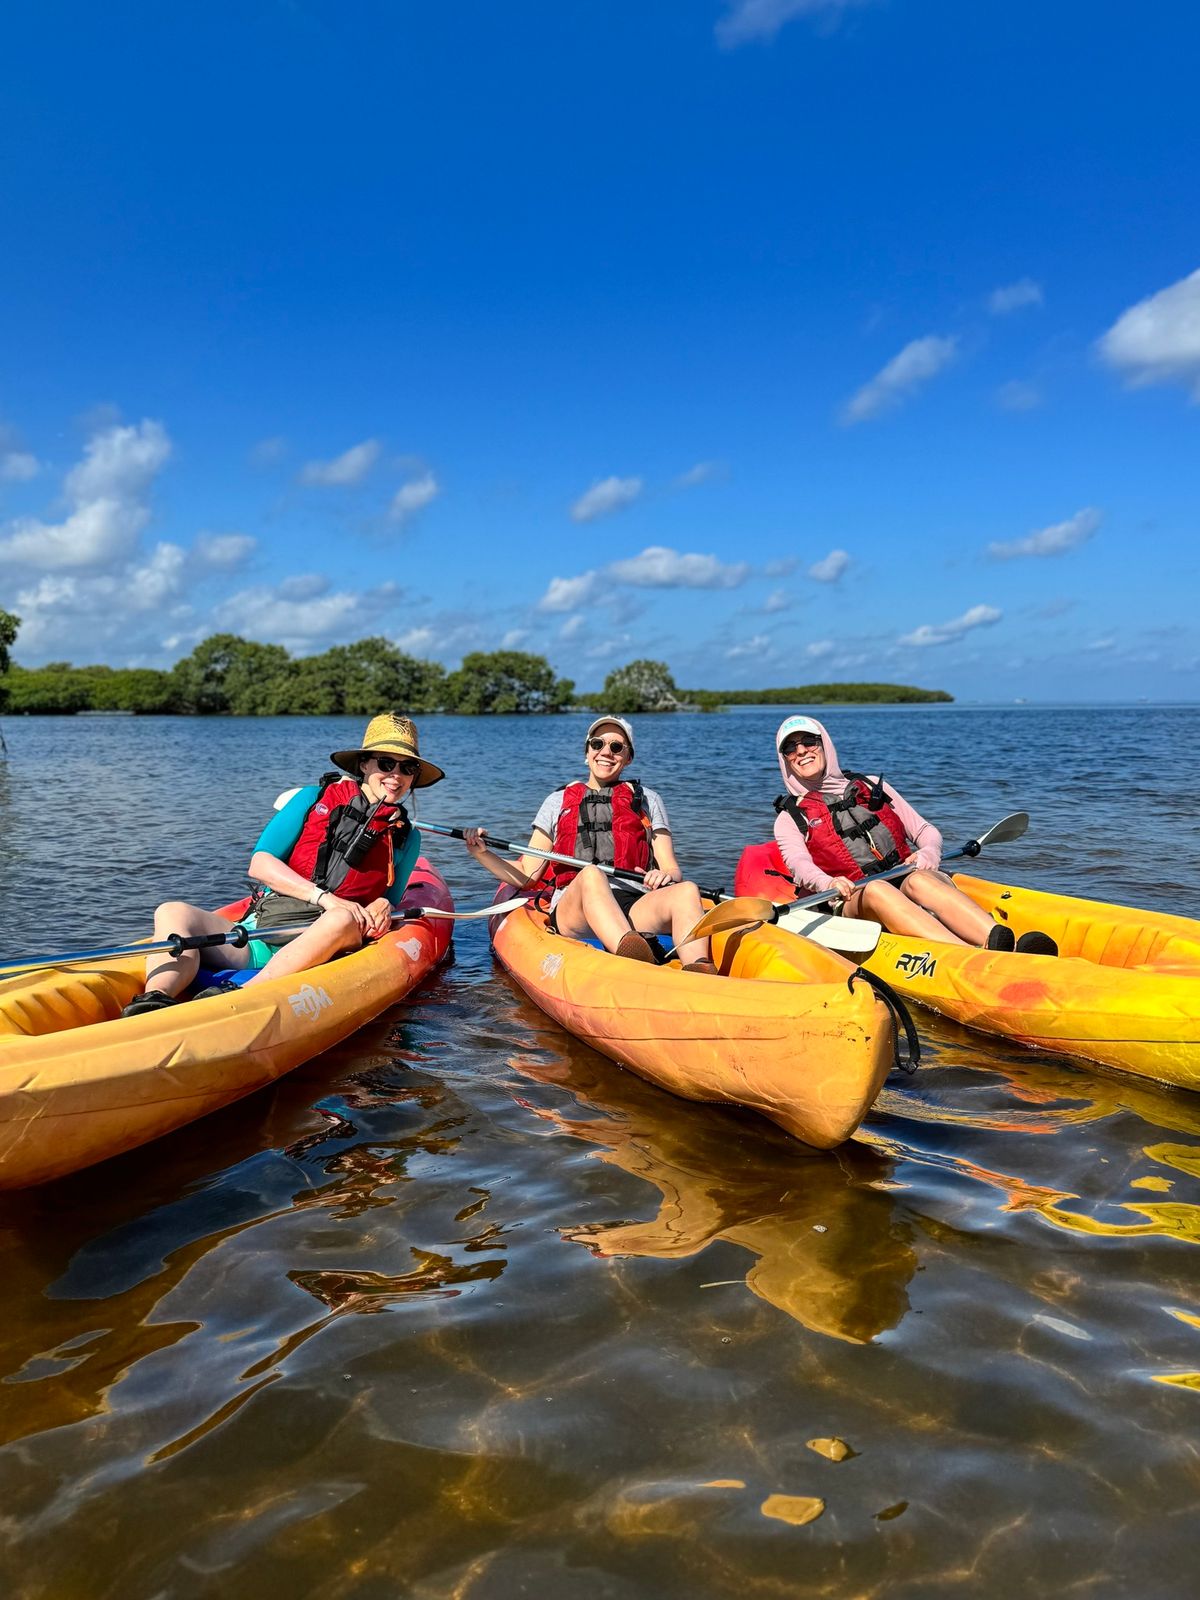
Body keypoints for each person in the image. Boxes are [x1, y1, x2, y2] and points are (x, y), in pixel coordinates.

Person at [121, 713, 445, 1018]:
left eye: (407, 769)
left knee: (342, 917)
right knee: (172, 911)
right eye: (386, 764)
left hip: (330, 937)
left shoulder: (406, 837)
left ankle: (243, 994)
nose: (396, 776)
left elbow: (392, 896)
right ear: (363, 764)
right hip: (261, 935)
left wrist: (381, 905)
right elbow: (260, 864)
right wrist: (325, 897)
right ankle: (156, 998)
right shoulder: (309, 800)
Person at [772, 714, 1057, 953]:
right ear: (785, 760)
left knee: (918, 878)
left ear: (824, 744)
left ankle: (1000, 942)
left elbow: (924, 830)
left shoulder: (870, 786)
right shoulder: (790, 817)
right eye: (791, 748)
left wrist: (929, 851)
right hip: (850, 900)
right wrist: (826, 882)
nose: (801, 751)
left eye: (809, 741)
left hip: (904, 879)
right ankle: (965, 956)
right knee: (877, 889)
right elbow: (799, 866)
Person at [462, 715, 717, 971]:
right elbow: (527, 874)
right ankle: (636, 958)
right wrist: (482, 853)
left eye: (616, 747)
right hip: (576, 908)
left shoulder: (648, 800)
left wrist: (663, 876)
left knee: (687, 890)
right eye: (597, 744)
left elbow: (672, 869)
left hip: (633, 904)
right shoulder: (557, 801)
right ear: (587, 752)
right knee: (591, 874)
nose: (606, 752)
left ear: (628, 758)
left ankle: (700, 971)